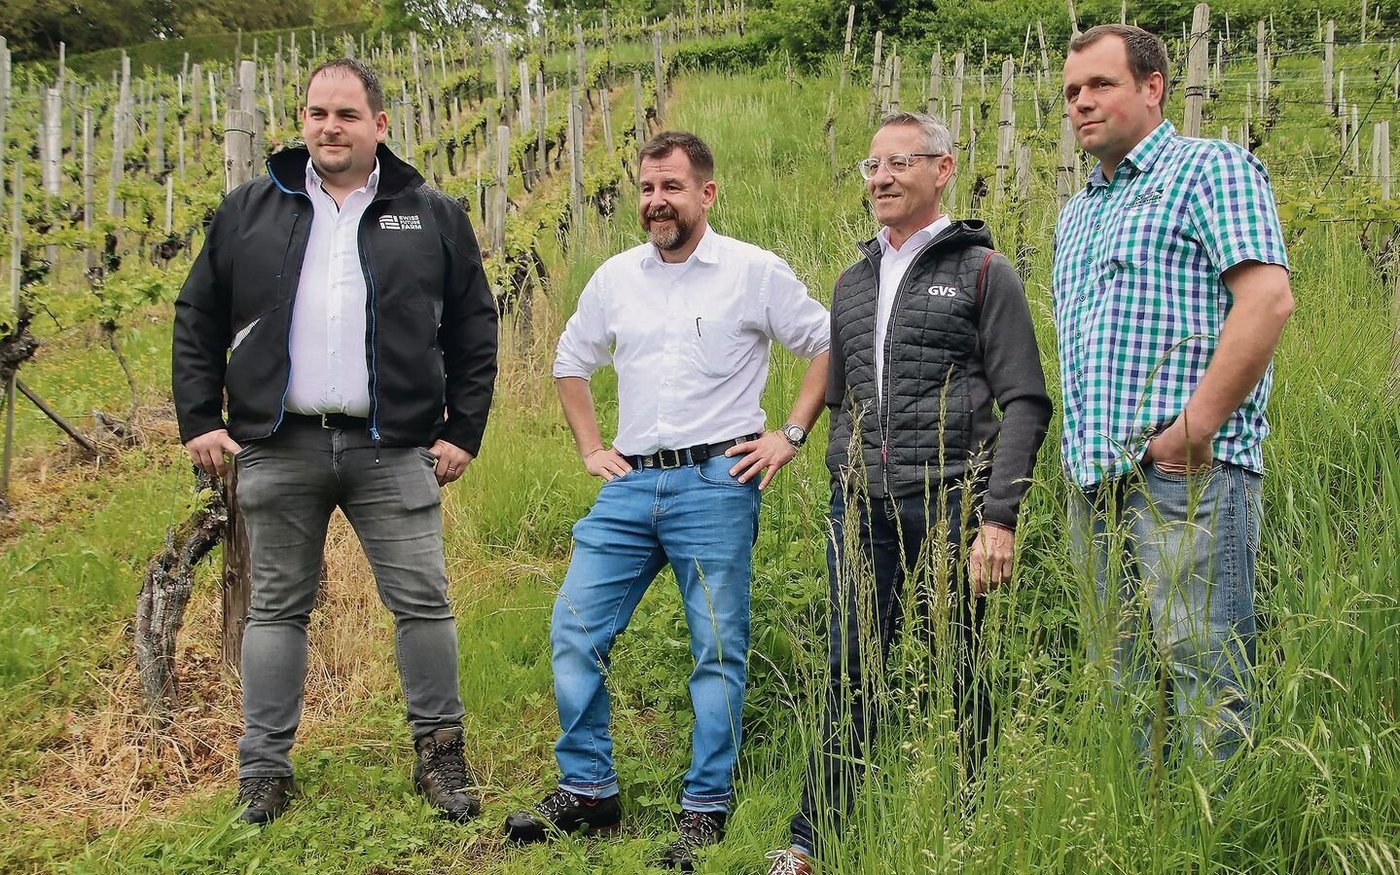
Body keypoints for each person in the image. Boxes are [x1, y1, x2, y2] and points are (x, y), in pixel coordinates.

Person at [172, 58, 498, 826]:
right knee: (277, 609)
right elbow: (197, 317)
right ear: (303, 119)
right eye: (317, 113)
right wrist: (199, 417)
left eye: (347, 114)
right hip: (280, 443)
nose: (329, 126)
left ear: (380, 124)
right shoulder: (251, 208)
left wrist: (464, 430)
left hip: (395, 447)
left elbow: (475, 325)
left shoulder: (430, 212)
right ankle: (263, 773)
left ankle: (441, 759)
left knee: (423, 603)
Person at [502, 131, 830, 870]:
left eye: (672, 188)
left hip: (717, 482)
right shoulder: (617, 277)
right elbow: (570, 359)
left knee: (716, 648)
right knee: (574, 629)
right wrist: (591, 448)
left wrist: (790, 432)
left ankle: (705, 807)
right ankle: (589, 787)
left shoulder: (753, 271)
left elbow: (826, 342)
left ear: (706, 193)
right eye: (648, 188)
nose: (657, 201)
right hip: (628, 486)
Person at [765, 111, 1051, 874]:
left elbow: (1025, 400)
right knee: (850, 665)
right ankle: (810, 841)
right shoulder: (852, 282)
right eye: (872, 165)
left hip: (955, 501)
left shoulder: (985, 270)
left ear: (943, 168)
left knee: (963, 664)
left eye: (901, 163)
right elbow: (845, 396)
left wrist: (999, 517)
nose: (882, 178)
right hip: (861, 505)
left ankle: (969, 826)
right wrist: (831, 465)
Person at [1054, 25, 1293, 768]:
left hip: (1184, 473)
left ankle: (1212, 838)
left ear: (1153, 87)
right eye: (1070, 93)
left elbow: (1267, 299)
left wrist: (1194, 430)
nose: (1082, 103)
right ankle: (1144, 834)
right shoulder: (1077, 213)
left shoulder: (1209, 170)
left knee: (1206, 673)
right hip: (1094, 482)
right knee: (1118, 681)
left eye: (1101, 85)